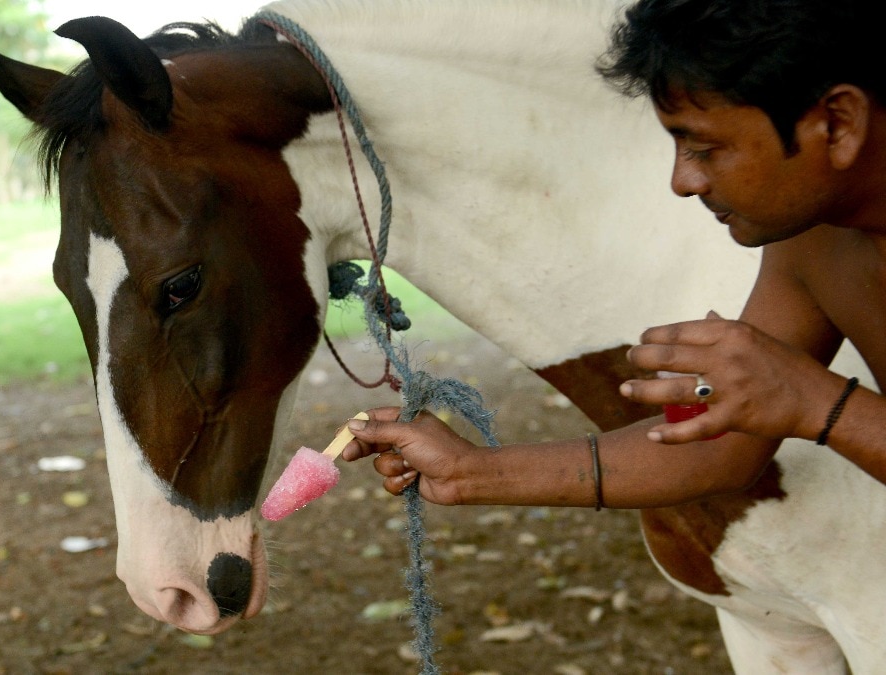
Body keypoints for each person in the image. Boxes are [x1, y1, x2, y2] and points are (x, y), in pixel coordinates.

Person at [342, 0, 886, 509]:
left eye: (704, 148)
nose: (683, 180)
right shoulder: (811, 244)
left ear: (838, 124)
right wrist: (469, 471)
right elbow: (720, 448)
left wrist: (819, 403)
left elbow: (801, 401)